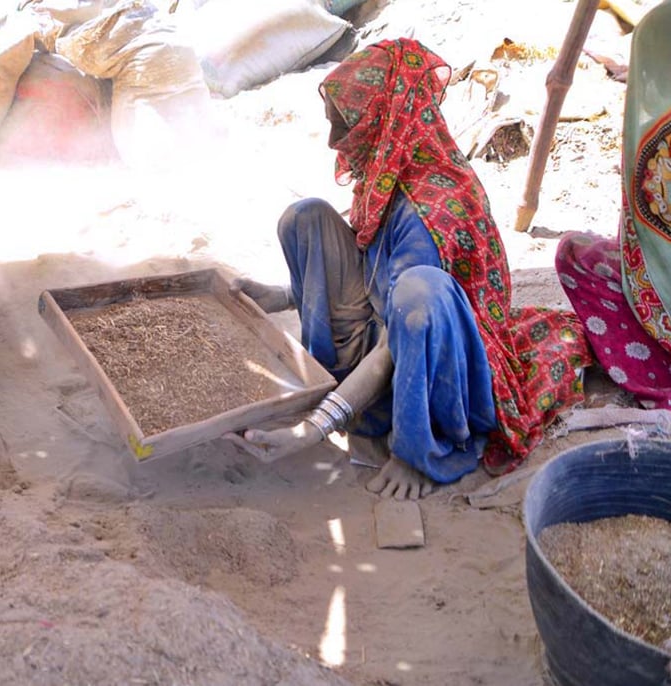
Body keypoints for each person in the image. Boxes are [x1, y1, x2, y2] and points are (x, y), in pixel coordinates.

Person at [232, 38, 590, 499]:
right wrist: (281, 294)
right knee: (305, 218)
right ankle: (335, 381)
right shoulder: (394, 167)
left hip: (435, 365)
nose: (332, 142)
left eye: (343, 127)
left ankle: (415, 448)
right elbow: (369, 261)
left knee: (416, 292)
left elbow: (399, 336)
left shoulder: (433, 210)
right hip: (384, 324)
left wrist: (315, 428)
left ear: (379, 121)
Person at [555, 2, 671, 409]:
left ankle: (656, 376)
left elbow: (642, 237)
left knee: (576, 255)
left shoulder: (655, 137)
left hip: (664, 311)